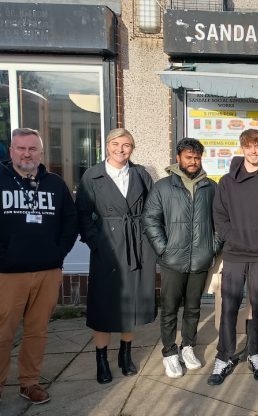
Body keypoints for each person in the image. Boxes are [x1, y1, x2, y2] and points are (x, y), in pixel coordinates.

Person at [0, 128, 78, 404]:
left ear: (41, 153)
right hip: (7, 275)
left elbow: (71, 222)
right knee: (3, 332)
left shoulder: (55, 184)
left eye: (32, 149)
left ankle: (29, 382)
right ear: (11, 151)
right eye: (20, 148)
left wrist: (58, 253)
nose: (26, 154)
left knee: (37, 331)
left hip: (47, 271)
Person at [75, 128, 157, 384]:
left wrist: (148, 240)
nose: (121, 149)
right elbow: (83, 214)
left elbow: (153, 209)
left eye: (126, 145)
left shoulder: (141, 174)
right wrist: (96, 242)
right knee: (103, 305)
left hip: (136, 245)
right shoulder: (93, 175)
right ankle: (101, 359)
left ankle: (125, 354)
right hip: (108, 247)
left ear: (133, 148)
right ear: (106, 146)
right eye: (115, 144)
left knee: (130, 303)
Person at [208, 129, 258, 384]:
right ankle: (225, 356)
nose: (253, 151)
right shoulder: (227, 182)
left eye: (257, 146)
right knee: (229, 307)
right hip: (234, 254)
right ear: (242, 149)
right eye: (248, 146)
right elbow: (219, 217)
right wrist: (234, 238)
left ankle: (255, 352)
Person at [142, 138, 219, 379]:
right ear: (178, 158)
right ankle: (169, 352)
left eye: (197, 157)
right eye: (189, 157)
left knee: (193, 308)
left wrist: (212, 248)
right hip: (172, 261)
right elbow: (150, 219)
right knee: (169, 308)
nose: (193, 161)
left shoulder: (210, 187)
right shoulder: (163, 187)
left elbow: (220, 222)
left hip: (200, 260)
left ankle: (188, 347)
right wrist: (164, 249)